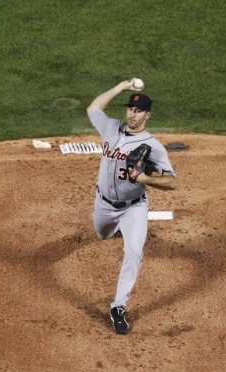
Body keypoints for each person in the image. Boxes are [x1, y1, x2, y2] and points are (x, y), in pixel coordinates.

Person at [86, 78, 177, 334]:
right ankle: (113, 228)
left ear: (147, 115)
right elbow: (93, 109)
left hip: (134, 207)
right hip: (103, 205)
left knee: (134, 251)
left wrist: (146, 178)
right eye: (130, 109)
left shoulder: (153, 146)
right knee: (102, 234)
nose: (132, 114)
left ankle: (118, 306)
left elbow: (172, 181)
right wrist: (121, 88)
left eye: (138, 111)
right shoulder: (111, 128)